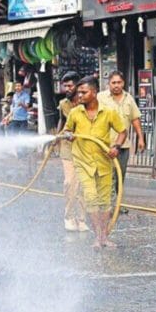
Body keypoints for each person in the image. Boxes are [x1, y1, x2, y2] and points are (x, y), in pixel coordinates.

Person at [63, 76, 127, 248]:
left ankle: (103, 236)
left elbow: (122, 131)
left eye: (84, 92)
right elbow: (68, 130)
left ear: (94, 92)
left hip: (104, 162)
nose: (80, 96)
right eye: (79, 93)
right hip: (83, 162)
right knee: (91, 197)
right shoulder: (75, 113)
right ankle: (98, 237)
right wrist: (68, 135)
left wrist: (116, 146)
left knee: (105, 201)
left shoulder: (109, 112)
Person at [97, 71, 144, 203]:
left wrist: (140, 138)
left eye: (119, 82)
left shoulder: (129, 99)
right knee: (107, 175)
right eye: (113, 83)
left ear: (123, 83)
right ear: (109, 84)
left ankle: (117, 204)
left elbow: (135, 119)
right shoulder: (100, 98)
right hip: (104, 145)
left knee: (119, 175)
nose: (116, 85)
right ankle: (107, 204)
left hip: (123, 146)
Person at [55, 71, 88, 232]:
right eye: (65, 86)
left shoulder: (86, 103)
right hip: (67, 148)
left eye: (70, 85)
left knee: (81, 185)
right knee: (70, 182)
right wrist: (58, 136)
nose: (66, 89)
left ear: (78, 85)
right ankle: (68, 217)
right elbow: (61, 120)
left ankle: (81, 219)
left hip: (84, 148)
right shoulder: (63, 104)